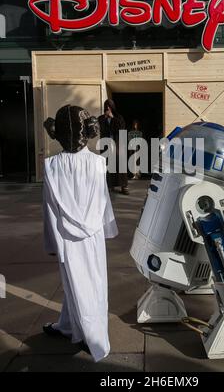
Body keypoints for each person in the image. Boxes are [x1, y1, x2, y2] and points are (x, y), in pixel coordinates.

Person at [43, 105, 118, 363]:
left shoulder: (52, 166)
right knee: (92, 282)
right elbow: (103, 200)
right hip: (93, 236)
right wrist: (108, 229)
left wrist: (52, 243)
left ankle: (94, 338)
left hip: (66, 237)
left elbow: (50, 209)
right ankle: (69, 325)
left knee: (76, 282)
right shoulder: (98, 163)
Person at [98, 99, 129, 195]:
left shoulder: (119, 117)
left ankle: (124, 186)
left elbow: (122, 129)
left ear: (112, 107)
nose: (108, 108)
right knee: (107, 165)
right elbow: (100, 129)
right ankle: (109, 185)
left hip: (117, 144)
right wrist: (105, 118)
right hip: (106, 144)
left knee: (120, 165)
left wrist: (113, 118)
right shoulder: (101, 118)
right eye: (106, 106)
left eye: (109, 106)